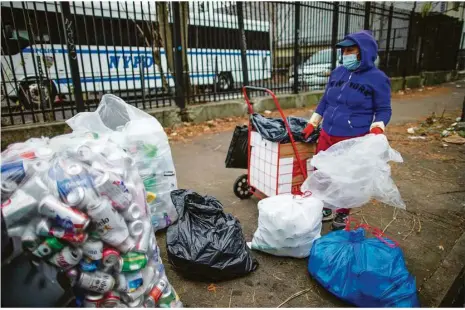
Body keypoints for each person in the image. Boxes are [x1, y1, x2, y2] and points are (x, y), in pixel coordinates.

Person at [302, 30, 392, 231]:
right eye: (344, 51)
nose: (346, 55)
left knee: (346, 177)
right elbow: (326, 100)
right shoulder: (338, 72)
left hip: (352, 137)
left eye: (350, 50)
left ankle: (342, 212)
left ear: (364, 51)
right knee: (322, 171)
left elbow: (384, 109)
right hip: (327, 133)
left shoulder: (378, 79)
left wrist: (377, 128)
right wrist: (313, 122)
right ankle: (324, 206)